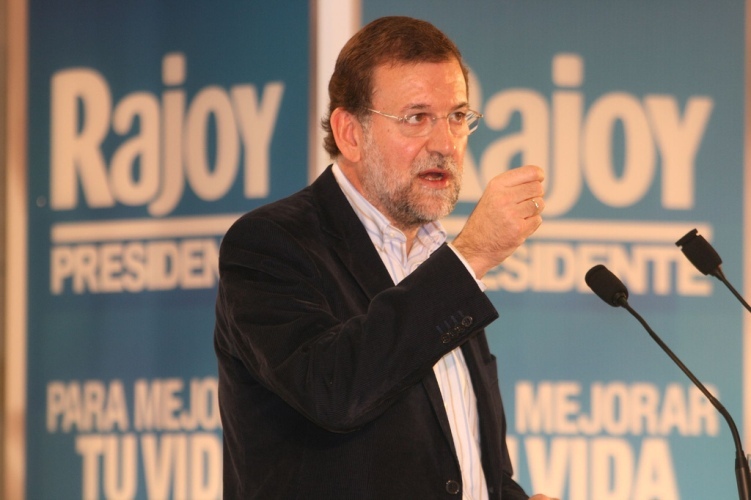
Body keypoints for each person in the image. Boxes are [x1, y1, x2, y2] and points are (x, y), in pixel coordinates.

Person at [214, 15, 557, 500]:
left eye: (457, 116)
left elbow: (463, 466)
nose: (445, 144)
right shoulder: (270, 244)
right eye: (417, 118)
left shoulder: (437, 260)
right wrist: (471, 255)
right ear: (350, 133)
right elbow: (333, 391)